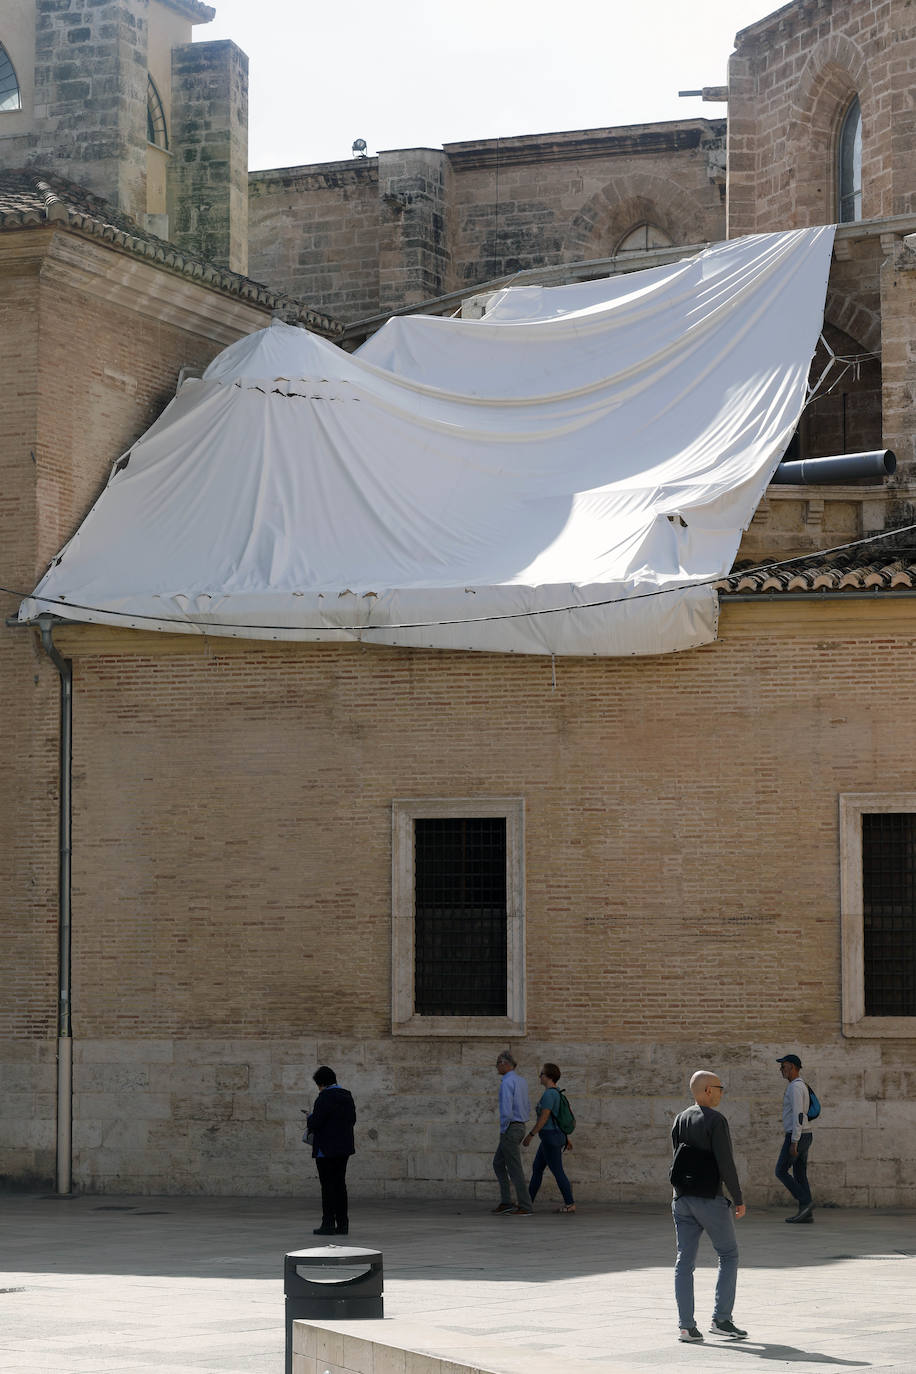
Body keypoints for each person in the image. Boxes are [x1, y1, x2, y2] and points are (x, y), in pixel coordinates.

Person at [671, 1070, 747, 1345]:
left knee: (684, 1262)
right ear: (706, 1091)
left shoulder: (680, 1118)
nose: (722, 1092)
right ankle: (721, 1320)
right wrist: (738, 1198)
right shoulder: (716, 1120)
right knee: (728, 1255)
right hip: (709, 1198)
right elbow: (725, 1163)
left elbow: (677, 1158)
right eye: (719, 1087)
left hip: (682, 1199)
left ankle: (686, 1327)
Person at [305, 1065, 356, 1236]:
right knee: (340, 1185)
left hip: (325, 1150)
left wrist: (310, 1117)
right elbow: (352, 1120)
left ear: (321, 1083)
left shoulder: (323, 1098)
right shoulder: (347, 1096)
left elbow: (315, 1123)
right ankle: (342, 1224)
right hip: (343, 1149)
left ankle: (328, 1223)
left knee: (327, 1187)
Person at [523, 1062, 575, 1213]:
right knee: (537, 1168)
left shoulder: (549, 1094)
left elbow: (544, 1118)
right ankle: (527, 1202)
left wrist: (530, 1135)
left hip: (550, 1137)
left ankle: (570, 1203)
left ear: (549, 1077)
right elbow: (557, 1118)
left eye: (542, 1074)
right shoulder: (557, 1092)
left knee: (558, 1171)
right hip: (553, 1137)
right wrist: (565, 1139)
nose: (540, 1076)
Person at [491, 1051, 533, 1215]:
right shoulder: (521, 1081)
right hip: (520, 1125)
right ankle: (506, 1202)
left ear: (504, 1063)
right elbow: (527, 1105)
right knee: (498, 1163)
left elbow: (507, 1110)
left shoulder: (507, 1082)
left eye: (497, 1063)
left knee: (514, 1168)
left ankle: (525, 1206)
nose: (496, 1067)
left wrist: (504, 1128)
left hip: (510, 1128)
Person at [776, 1053, 814, 1223]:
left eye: (783, 1066)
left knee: (781, 1171)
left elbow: (798, 1114)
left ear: (792, 1066)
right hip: (804, 1133)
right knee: (799, 1174)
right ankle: (806, 1213)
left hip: (797, 1134)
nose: (781, 1069)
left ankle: (806, 1203)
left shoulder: (795, 1087)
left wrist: (794, 1141)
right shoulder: (799, 1086)